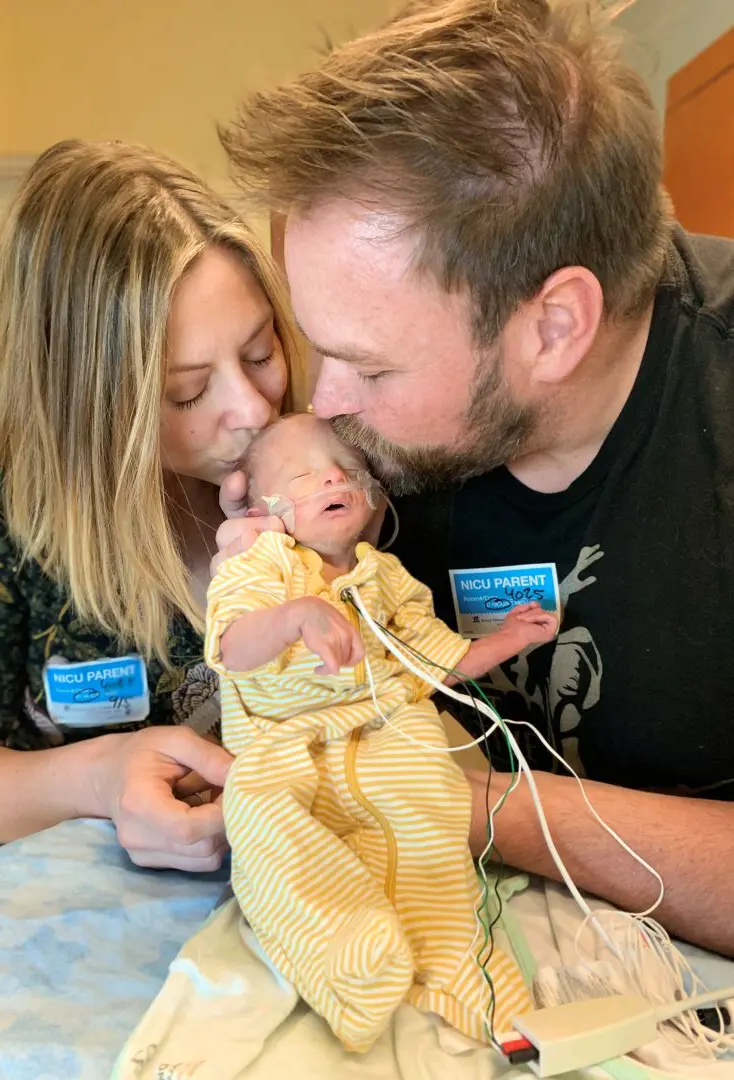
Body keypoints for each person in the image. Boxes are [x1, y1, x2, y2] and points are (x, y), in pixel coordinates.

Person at [214, 0, 734, 955]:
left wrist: (468, 803)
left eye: (371, 369)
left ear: (554, 327)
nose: (323, 404)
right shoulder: (356, 450)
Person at [0, 139, 306, 870]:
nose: (255, 410)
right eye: (187, 392)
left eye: (261, 353)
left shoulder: (301, 458)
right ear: (86, 408)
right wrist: (100, 776)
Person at [207, 414, 554, 1050]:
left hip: (392, 738)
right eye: (304, 475)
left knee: (431, 840)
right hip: (284, 748)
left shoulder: (386, 579)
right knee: (264, 829)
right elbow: (232, 648)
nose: (332, 476)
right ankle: (346, 955)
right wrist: (296, 616)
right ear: (263, 509)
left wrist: (506, 638)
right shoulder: (263, 565)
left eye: (346, 470)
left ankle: (472, 984)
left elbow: (437, 662)